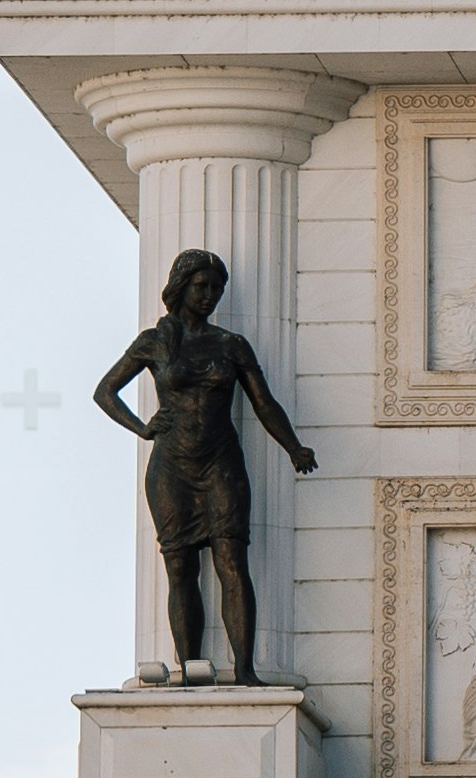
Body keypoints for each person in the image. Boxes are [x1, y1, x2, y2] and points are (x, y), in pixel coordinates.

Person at [92, 248, 314, 683]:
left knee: (232, 561)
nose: (210, 295)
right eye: (202, 286)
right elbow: (105, 391)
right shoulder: (155, 341)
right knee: (180, 567)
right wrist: (142, 428)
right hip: (171, 466)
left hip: (221, 463)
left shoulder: (230, 345)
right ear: (181, 287)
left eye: (216, 288)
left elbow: (264, 403)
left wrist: (294, 447)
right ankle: (188, 668)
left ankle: (245, 670)